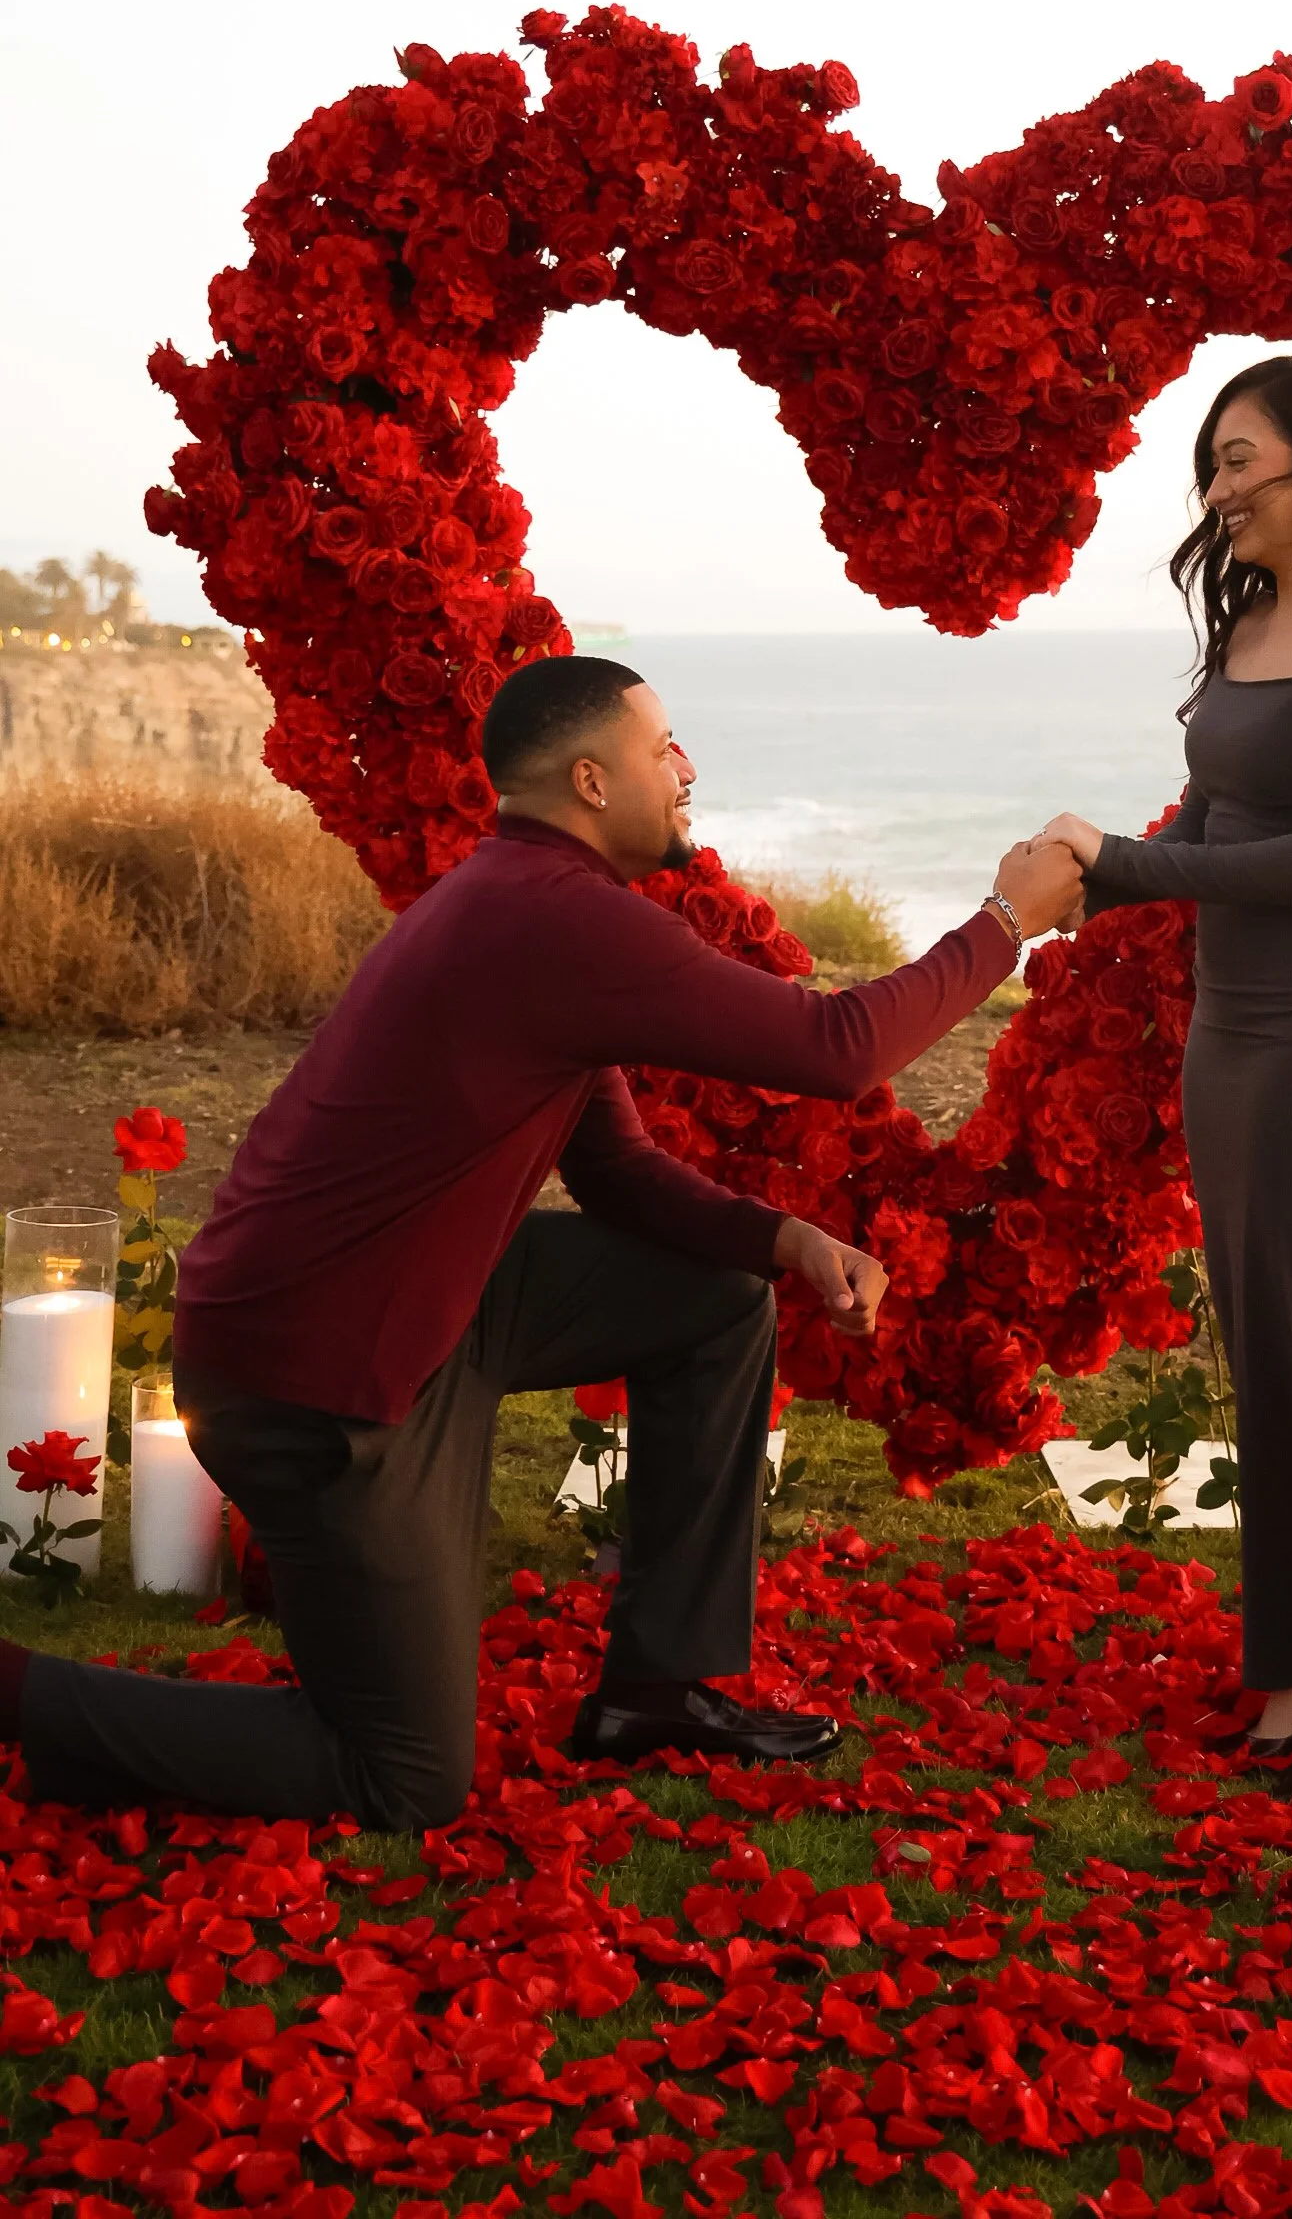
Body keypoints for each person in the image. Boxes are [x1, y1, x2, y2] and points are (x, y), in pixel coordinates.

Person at [0, 657, 1082, 1827]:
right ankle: (26, 1695)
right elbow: (836, 1047)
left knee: (718, 1294)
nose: (687, 770)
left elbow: (613, 1173)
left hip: (426, 1308)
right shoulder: (550, 917)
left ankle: (659, 1690)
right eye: (664, 748)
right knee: (401, 1776)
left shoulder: (526, 906)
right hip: (313, 1375)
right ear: (587, 778)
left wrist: (782, 1239)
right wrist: (1007, 918)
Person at [1035, 352, 1292, 1789]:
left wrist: (1115, 866)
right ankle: (1289, 1663)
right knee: (1265, 1356)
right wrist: (1090, 879)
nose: (1218, 493)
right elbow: (1214, 812)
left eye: (1239, 461)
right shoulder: (1259, 616)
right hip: (1234, 1029)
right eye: (1211, 466)